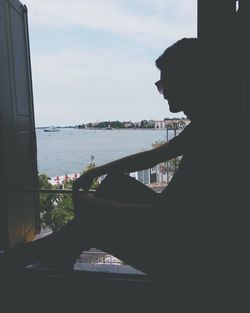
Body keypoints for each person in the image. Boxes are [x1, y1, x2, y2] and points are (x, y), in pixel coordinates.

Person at [0, 38, 224, 284]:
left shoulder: (212, 133)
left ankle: (24, 257)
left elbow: (160, 217)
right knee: (115, 183)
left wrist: (96, 207)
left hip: (193, 264)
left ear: (189, 79)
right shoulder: (211, 121)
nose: (164, 91)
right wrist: (98, 171)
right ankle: (56, 254)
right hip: (193, 242)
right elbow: (153, 156)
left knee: (93, 222)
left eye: (166, 81)